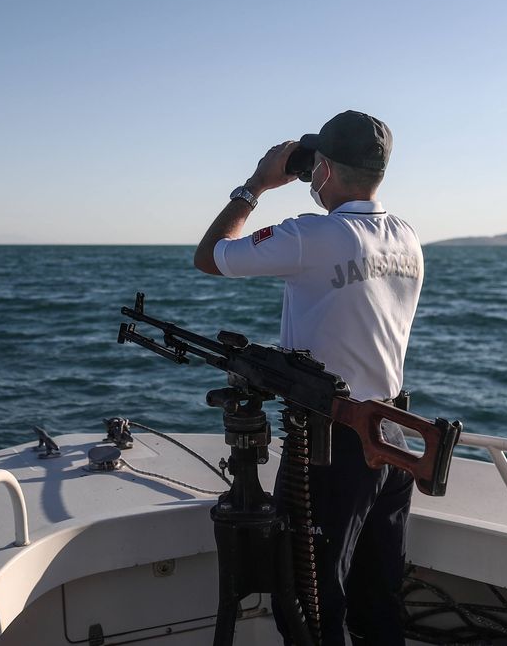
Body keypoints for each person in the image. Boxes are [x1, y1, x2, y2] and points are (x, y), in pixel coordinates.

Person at [193, 110, 424, 646]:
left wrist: (255, 186)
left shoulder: (310, 235)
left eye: (315, 165)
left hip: (334, 445)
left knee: (307, 604)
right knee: (378, 600)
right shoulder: (407, 237)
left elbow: (210, 257)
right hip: (393, 436)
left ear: (324, 170)